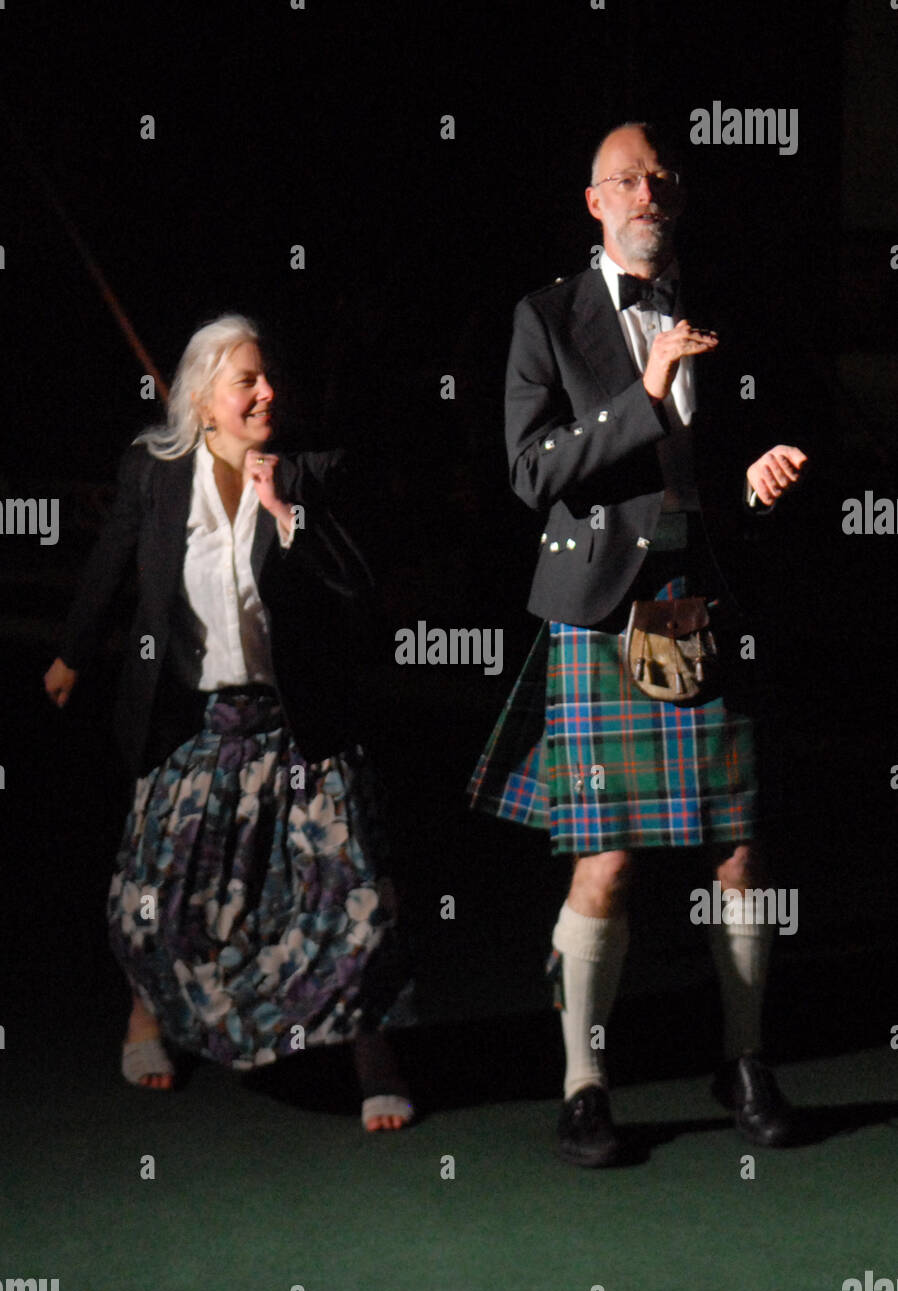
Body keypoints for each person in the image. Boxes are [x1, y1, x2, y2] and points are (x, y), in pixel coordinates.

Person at [469, 123, 806, 1166]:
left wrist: (751, 484)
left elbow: (727, 456)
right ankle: (583, 1081)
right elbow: (531, 470)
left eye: (662, 177)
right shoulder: (545, 317)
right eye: (628, 179)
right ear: (593, 203)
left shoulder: (712, 305)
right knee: (606, 863)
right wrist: (644, 391)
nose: (649, 191)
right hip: (600, 610)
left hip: (699, 602)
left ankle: (745, 1059)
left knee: (743, 852)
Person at [44, 313, 413, 1132]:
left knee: (352, 901)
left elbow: (357, 589)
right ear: (203, 401)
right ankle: (146, 1019)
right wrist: (72, 654)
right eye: (246, 381)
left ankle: (372, 1055)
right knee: (154, 900)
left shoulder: (309, 469)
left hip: (298, 728)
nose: (266, 392)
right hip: (198, 723)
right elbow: (112, 564)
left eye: (267, 377)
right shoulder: (154, 471)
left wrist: (286, 510)